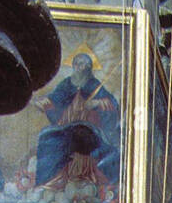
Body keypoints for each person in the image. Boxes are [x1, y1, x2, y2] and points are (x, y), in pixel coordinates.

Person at [34, 52, 120, 191]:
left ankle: (85, 179)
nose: (79, 67)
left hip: (89, 127)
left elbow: (112, 104)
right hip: (66, 125)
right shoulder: (66, 84)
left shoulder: (94, 84)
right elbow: (54, 99)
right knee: (48, 138)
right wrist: (44, 103)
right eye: (77, 64)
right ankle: (53, 181)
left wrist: (96, 103)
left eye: (83, 64)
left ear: (89, 68)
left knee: (85, 143)